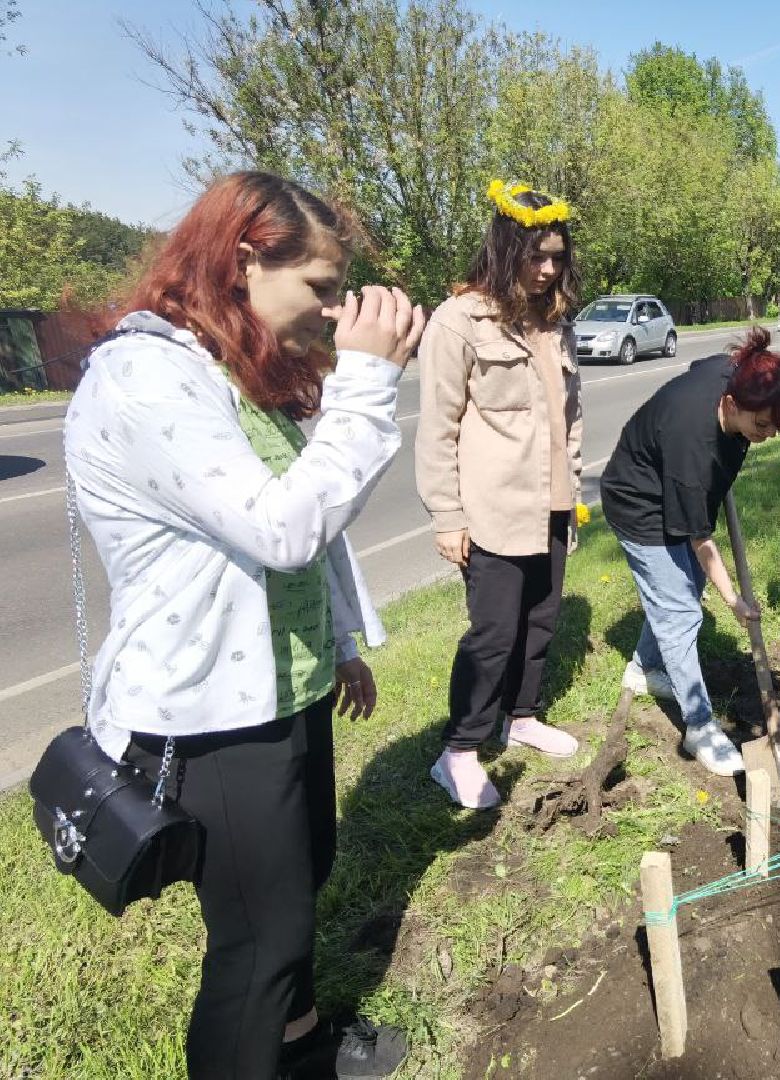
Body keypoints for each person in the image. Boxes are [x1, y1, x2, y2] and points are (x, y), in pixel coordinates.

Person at [62, 172, 421, 1079]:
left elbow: (310, 531)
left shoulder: (233, 365)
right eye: (322, 287)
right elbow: (281, 526)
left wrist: (341, 643)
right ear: (246, 258)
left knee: (299, 888)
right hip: (211, 711)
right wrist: (371, 380)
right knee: (258, 946)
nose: (336, 312)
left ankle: (298, 1051)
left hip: (282, 681)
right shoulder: (145, 376)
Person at [416, 181, 583, 810]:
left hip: (552, 504)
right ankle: (457, 750)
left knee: (541, 621)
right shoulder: (459, 321)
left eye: (556, 257)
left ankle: (521, 716)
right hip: (491, 511)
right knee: (492, 634)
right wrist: (447, 515)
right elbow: (438, 425)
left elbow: (571, 414)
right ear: (504, 247)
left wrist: (570, 489)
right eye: (535, 255)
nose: (546, 270)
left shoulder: (557, 323)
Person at [601, 328, 780, 776]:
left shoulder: (734, 372)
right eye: (762, 425)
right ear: (730, 404)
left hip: (668, 480)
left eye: (776, 424)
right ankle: (699, 726)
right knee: (680, 610)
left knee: (683, 595)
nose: (768, 435)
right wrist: (734, 601)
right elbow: (701, 541)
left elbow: (700, 367)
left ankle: (644, 667)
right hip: (640, 504)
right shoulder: (694, 448)